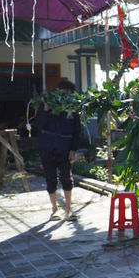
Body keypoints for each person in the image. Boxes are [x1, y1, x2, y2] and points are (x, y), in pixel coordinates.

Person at [36, 80, 81, 221]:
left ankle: (69, 209)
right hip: (47, 148)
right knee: (51, 179)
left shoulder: (73, 109)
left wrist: (74, 149)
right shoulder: (46, 105)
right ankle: (55, 209)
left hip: (65, 148)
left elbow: (76, 131)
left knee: (67, 178)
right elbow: (39, 124)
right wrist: (46, 109)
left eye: (68, 94)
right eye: (62, 93)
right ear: (57, 91)